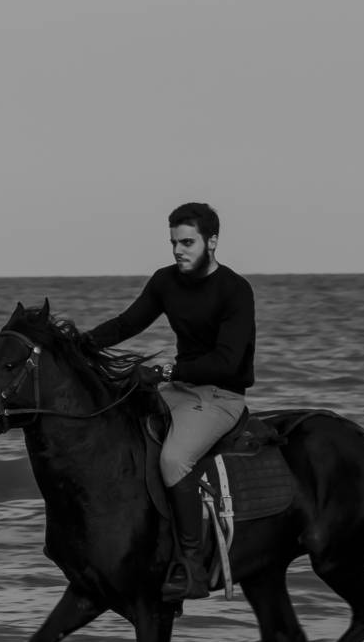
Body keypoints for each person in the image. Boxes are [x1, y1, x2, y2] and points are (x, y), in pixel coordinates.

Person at [85, 202, 256, 602]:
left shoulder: (235, 290)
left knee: (173, 460)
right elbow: (127, 324)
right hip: (179, 389)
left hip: (221, 396)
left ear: (212, 242)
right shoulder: (166, 281)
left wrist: (167, 371)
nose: (178, 250)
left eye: (187, 243)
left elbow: (228, 362)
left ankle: (192, 569)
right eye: (174, 243)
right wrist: (78, 344)